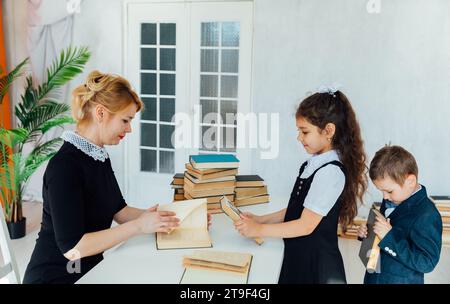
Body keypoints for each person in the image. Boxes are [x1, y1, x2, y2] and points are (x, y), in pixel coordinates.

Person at [23, 70, 204, 283]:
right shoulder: (64, 167)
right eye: (125, 120)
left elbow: (120, 211)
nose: (129, 129)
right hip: (55, 278)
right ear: (100, 113)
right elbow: (73, 249)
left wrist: (180, 218)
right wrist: (139, 227)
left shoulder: (98, 156)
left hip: (90, 272)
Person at [234, 89, 368, 283]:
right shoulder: (313, 165)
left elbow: (305, 225)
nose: (299, 137)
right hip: (299, 257)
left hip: (316, 267)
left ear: (329, 131)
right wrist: (261, 220)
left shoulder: (330, 172)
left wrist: (258, 230)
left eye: (304, 131)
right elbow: (298, 209)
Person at [357, 145, 442, 284]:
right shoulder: (394, 198)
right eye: (381, 191)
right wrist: (367, 235)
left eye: (389, 191)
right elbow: (382, 238)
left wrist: (389, 237)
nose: (384, 197)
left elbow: (427, 262)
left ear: (410, 182)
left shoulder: (427, 214)